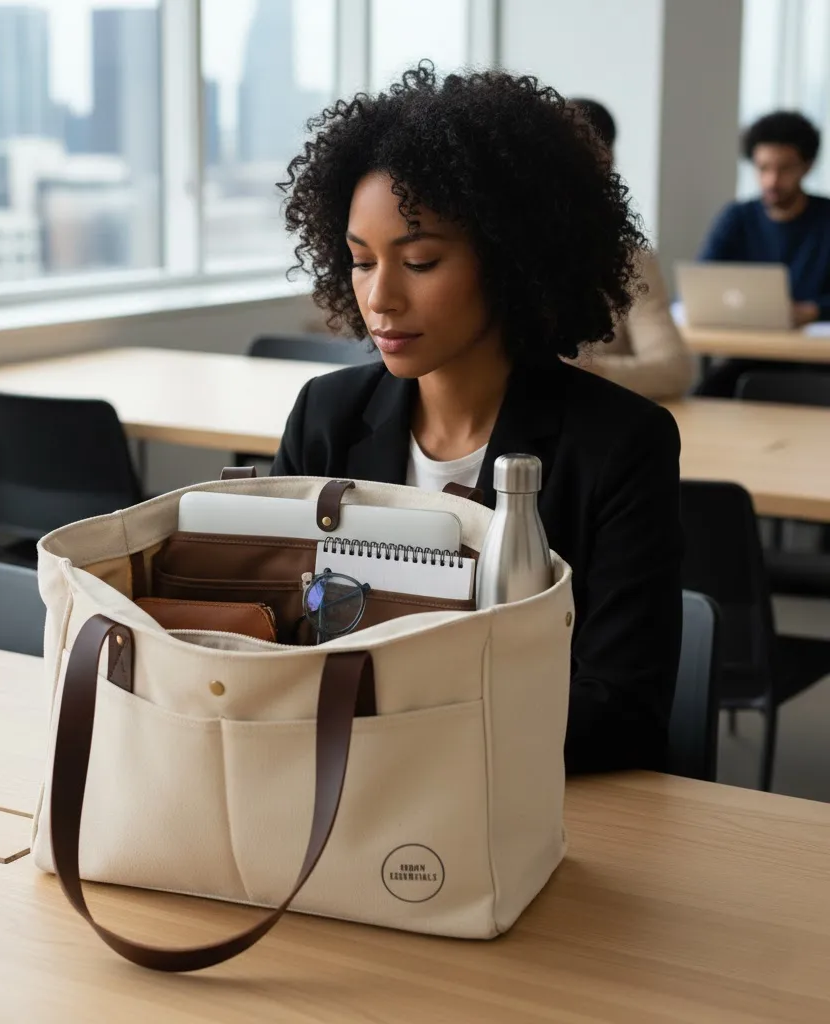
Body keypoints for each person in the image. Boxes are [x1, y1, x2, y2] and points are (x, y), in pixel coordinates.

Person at [271, 65, 682, 774]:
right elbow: (281, 638)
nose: (381, 298)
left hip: (520, 802)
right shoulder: (327, 413)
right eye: (361, 262)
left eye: (421, 261)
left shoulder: (620, 445)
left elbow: (619, 711)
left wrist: (391, 725)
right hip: (340, 786)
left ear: (513, 260)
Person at [566, 98, 694, 400]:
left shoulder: (629, 260)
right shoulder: (490, 253)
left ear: (605, 163)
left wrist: (587, 372)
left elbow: (673, 369)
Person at [697, 110, 830, 396]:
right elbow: (703, 281)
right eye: (763, 168)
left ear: (807, 167)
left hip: (818, 362)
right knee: (700, 398)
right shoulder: (737, 217)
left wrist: (813, 311)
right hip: (751, 354)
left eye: (784, 169)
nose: (771, 180)